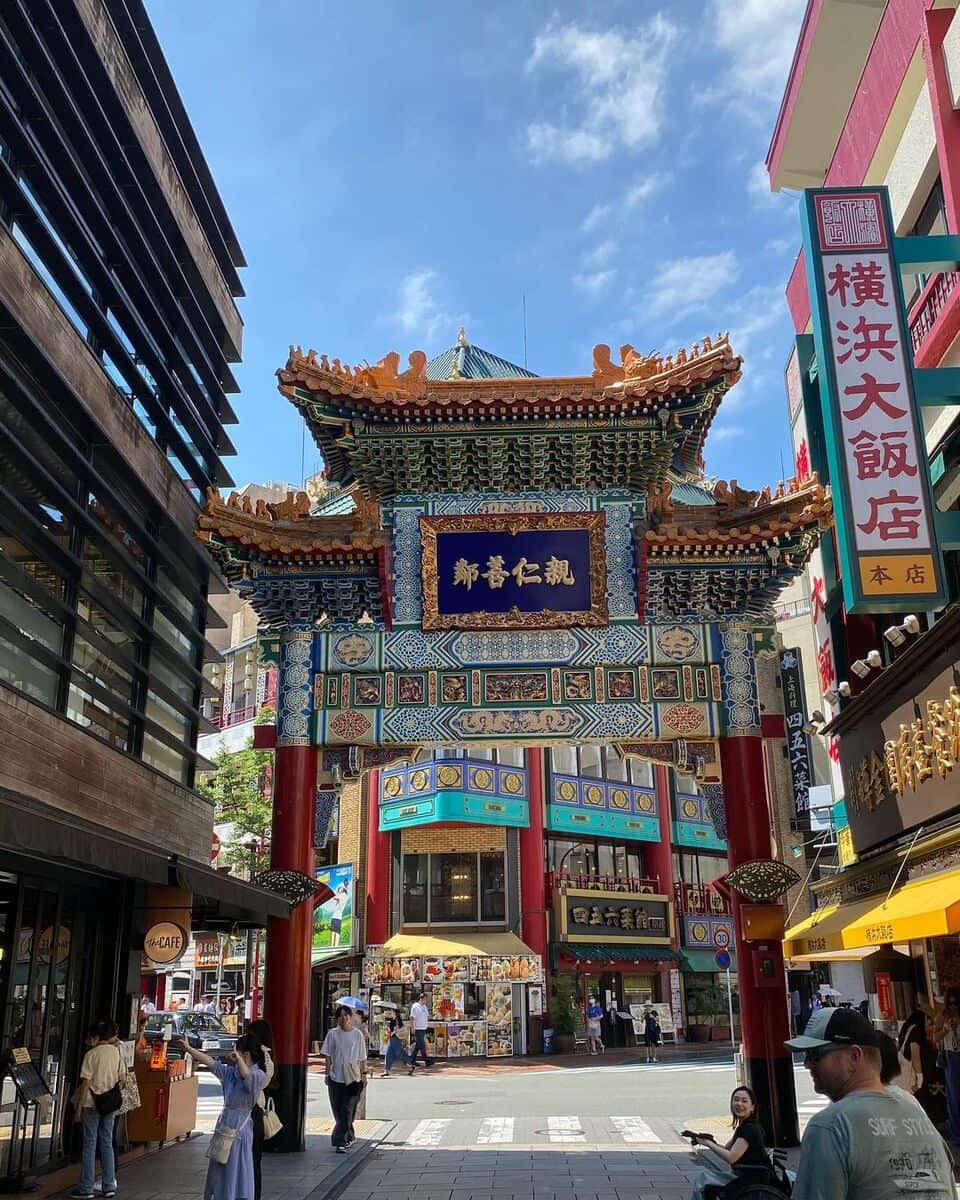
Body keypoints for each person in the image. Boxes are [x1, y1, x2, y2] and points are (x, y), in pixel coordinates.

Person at [786, 1006, 954, 1198]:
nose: (807, 1063)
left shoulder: (831, 1126)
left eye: (815, 1054)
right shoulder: (918, 1115)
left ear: (854, 1056)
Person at [178, 1033, 264, 1200]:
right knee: (220, 1166)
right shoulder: (231, 1073)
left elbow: (248, 1078)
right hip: (226, 1125)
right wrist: (189, 1049)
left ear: (245, 1054)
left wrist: (238, 1059)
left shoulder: (256, 1075)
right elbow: (210, 1062)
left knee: (235, 1168)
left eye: (238, 1052)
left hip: (240, 1128)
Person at [71, 1019, 126, 1200]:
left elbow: (86, 1082)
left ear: (96, 1037)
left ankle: (87, 1187)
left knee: (89, 1145)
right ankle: (109, 1185)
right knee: (107, 1143)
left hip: (91, 1104)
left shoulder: (91, 1055)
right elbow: (123, 1078)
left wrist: (78, 1108)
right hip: (109, 1105)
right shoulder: (116, 1053)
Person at [687, 1086, 769, 1200]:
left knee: (703, 1180)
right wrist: (708, 1140)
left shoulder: (749, 1129)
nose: (739, 1104)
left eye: (744, 1101)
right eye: (736, 1100)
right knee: (704, 1177)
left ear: (752, 1107)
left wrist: (708, 1144)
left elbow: (731, 1157)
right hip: (746, 1175)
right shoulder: (745, 1126)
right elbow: (726, 1148)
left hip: (750, 1178)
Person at [320, 1006, 368, 1153]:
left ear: (351, 1017)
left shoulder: (357, 1035)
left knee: (347, 1110)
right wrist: (328, 1073)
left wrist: (364, 1074)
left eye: (346, 1015)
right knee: (338, 1111)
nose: (344, 1018)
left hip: (353, 1078)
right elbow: (327, 1054)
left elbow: (362, 1057)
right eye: (340, 1016)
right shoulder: (332, 1034)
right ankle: (350, 1135)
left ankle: (339, 1141)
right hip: (336, 1077)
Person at [900, 1004, 948, 1130]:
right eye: (927, 1019)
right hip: (916, 1074)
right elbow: (915, 1056)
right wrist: (920, 1078)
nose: (928, 1023)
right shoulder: (916, 1030)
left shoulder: (908, 1027)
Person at [246, 1019, 276, 1200]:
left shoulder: (264, 1061)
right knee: (251, 1161)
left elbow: (251, 1083)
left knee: (252, 1160)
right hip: (248, 1112)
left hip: (252, 1112)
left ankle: (252, 1195)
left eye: (251, 1035)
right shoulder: (256, 1057)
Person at [932, 986, 960, 1144]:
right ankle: (957, 1134)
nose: (954, 1006)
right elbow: (935, 1039)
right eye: (951, 1004)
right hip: (951, 1055)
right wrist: (946, 1029)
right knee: (954, 1096)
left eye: (956, 1004)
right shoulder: (942, 1017)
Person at [381, 1008, 414, 1077]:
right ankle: (387, 1070)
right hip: (393, 1039)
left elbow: (397, 1029)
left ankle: (411, 1064)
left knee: (399, 1054)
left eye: (391, 1011)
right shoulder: (392, 1020)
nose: (390, 1012)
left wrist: (391, 1033)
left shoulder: (397, 1020)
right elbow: (392, 1029)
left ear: (394, 1012)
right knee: (389, 1054)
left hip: (396, 1039)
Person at [409, 993, 433, 1069]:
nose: (426, 1001)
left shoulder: (424, 1007)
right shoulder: (415, 1006)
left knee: (418, 1046)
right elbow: (412, 1017)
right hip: (418, 1028)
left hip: (423, 1028)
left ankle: (411, 1060)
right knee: (422, 1045)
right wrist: (412, 1027)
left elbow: (427, 1016)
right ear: (421, 999)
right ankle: (427, 1061)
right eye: (425, 999)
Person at [328, 882, 350, 948]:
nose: (339, 890)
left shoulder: (343, 896)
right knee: (334, 932)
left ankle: (334, 946)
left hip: (337, 917)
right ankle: (333, 946)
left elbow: (333, 897)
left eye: (341, 889)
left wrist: (338, 888)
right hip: (335, 917)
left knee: (335, 932)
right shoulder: (343, 896)